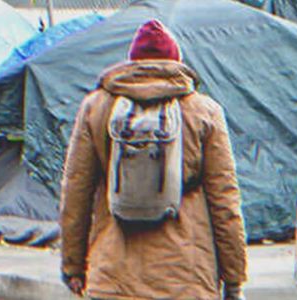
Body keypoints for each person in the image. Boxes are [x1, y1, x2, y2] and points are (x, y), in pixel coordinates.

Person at [60, 19, 247, 300]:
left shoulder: (96, 108)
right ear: (176, 60)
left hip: (113, 278)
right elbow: (225, 201)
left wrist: (73, 266)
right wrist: (234, 278)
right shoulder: (203, 111)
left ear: (132, 62)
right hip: (186, 279)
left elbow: (76, 192)